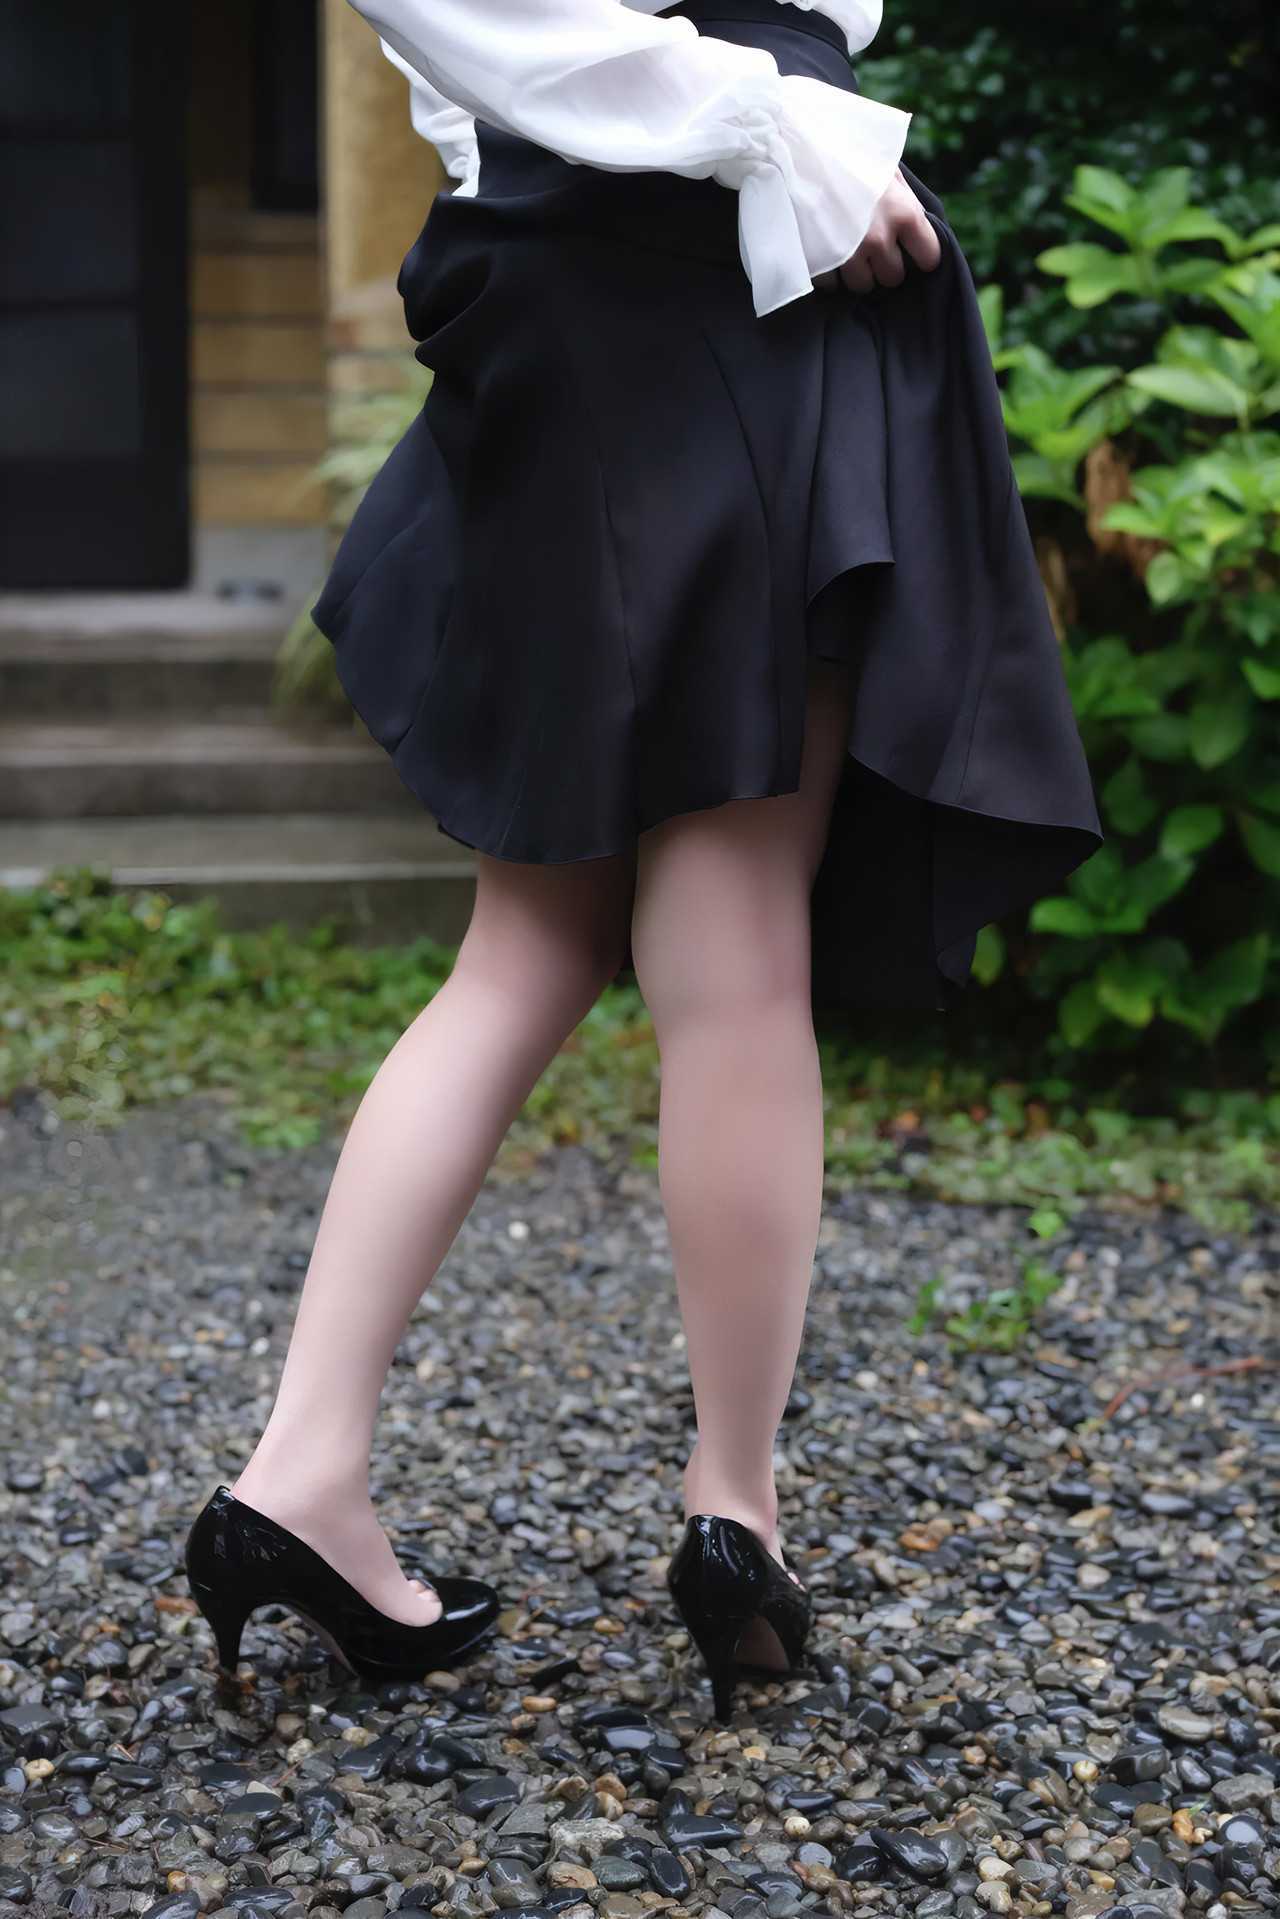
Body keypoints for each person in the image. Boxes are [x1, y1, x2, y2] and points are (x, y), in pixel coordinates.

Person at [185, 0, 1103, 1720]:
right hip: (747, 258)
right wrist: (776, 127)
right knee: (735, 953)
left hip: (560, 269)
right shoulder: (757, 132)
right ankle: (733, 1516)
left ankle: (301, 1469)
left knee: (522, 949)